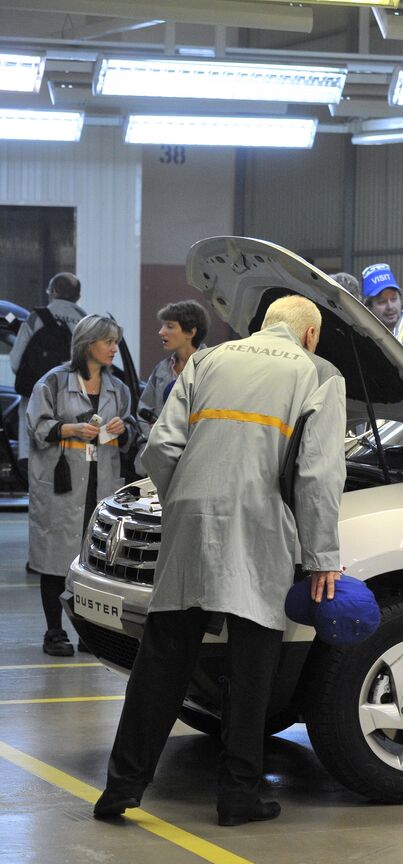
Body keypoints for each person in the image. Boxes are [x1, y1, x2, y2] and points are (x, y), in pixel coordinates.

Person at [94, 295, 346, 826]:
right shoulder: (318, 373)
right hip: (259, 521)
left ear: (263, 326)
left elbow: (160, 447)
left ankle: (121, 787)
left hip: (188, 513)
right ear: (309, 336)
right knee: (252, 662)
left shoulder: (209, 359)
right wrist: (323, 555)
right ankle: (239, 795)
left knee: (163, 656)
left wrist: (186, 495)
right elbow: (318, 473)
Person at [25, 315, 131, 657]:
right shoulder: (53, 383)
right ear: (88, 344)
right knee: (54, 559)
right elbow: (36, 427)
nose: (114, 348)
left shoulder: (120, 389)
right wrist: (70, 429)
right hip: (63, 485)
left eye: (115, 342)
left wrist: (123, 430)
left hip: (102, 485)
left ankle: (90, 634)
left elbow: (132, 433)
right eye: (108, 342)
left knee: (95, 565)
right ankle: (54, 632)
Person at [10, 272, 87, 473]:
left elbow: (16, 362)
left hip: (36, 394)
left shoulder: (36, 318)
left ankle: (26, 465)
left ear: (54, 291)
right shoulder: (85, 321)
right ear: (78, 296)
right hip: (73, 398)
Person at [135, 300, 209, 441]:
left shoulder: (211, 367)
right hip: (161, 455)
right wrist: (152, 439)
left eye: (169, 326)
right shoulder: (161, 370)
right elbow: (143, 413)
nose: (161, 332)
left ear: (191, 332)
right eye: (163, 326)